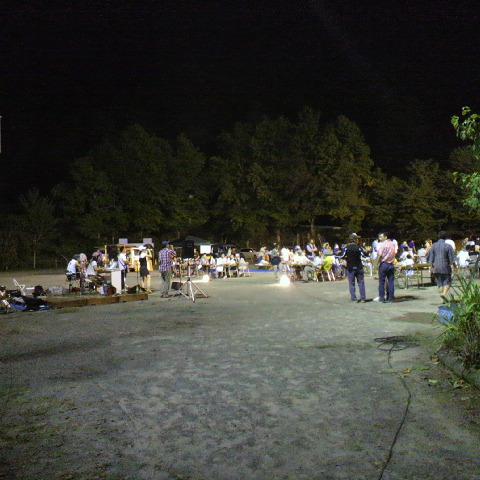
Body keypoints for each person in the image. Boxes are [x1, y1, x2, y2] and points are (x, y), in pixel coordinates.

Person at [427, 231, 457, 302]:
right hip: (445, 266)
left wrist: (431, 267)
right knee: (447, 281)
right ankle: (444, 293)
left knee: (439, 283)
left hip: (436, 267)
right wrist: (455, 266)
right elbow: (452, 258)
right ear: (445, 237)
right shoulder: (448, 246)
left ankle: (442, 299)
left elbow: (430, 257)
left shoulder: (433, 246)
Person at [337, 233, 367, 302]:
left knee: (351, 284)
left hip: (350, 267)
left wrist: (333, 254)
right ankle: (362, 298)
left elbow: (341, 256)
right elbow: (364, 256)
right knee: (361, 283)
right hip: (359, 267)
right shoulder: (359, 247)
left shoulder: (347, 248)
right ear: (355, 240)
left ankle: (354, 298)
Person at [376, 232, 397, 303]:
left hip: (384, 263)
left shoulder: (383, 245)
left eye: (381, 237)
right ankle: (391, 297)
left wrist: (376, 263)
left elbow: (379, 254)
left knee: (382, 282)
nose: (379, 238)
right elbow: (395, 253)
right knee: (391, 281)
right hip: (391, 264)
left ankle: (382, 297)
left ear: (385, 237)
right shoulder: (393, 244)